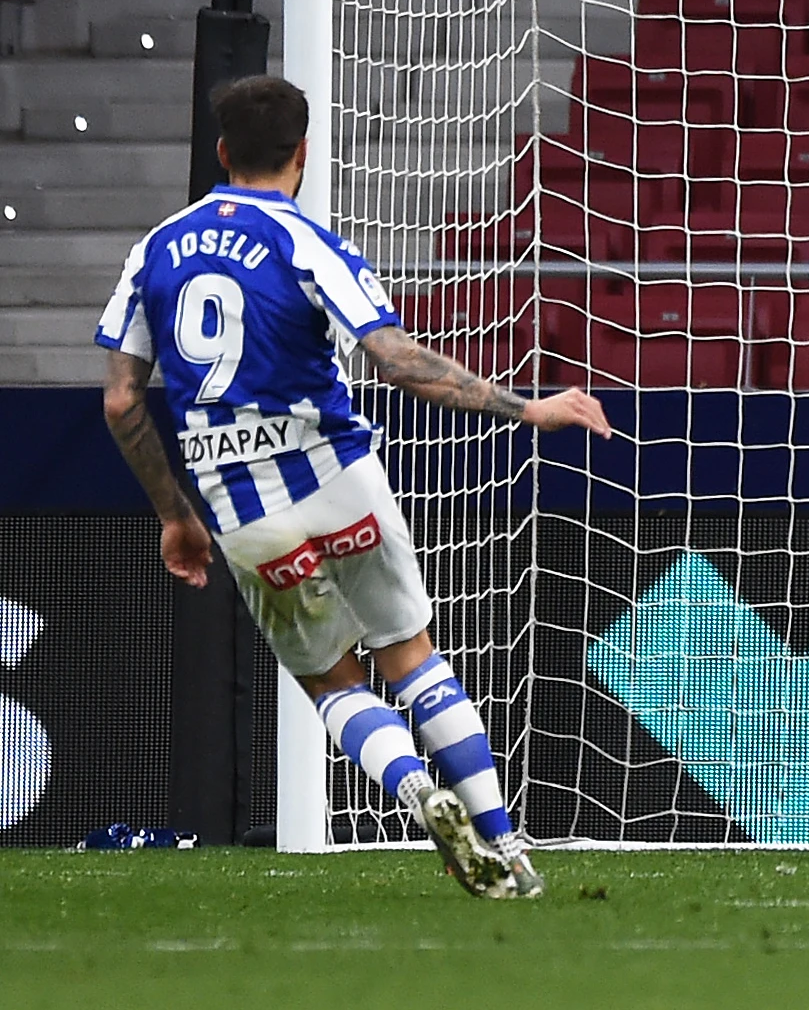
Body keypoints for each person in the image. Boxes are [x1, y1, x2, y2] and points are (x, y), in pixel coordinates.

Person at [95, 76, 612, 898]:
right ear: (303, 153)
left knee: (334, 681)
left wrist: (174, 514)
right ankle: (507, 844)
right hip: (339, 477)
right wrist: (528, 407)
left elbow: (122, 396)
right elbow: (397, 360)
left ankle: (411, 788)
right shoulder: (305, 241)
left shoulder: (156, 247)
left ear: (222, 153)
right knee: (412, 658)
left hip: (242, 508)